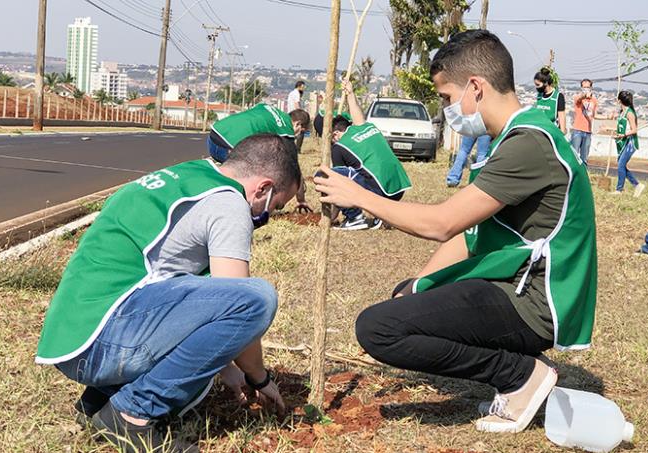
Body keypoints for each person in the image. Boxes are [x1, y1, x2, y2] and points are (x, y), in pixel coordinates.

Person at [315, 30, 598, 434]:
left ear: (476, 88)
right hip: (513, 285)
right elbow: (466, 234)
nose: (447, 109)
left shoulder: (528, 144)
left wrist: (359, 196)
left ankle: (520, 375)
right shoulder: (519, 136)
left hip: (533, 303)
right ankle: (519, 369)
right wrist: (420, 286)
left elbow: (442, 223)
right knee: (406, 293)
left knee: (378, 328)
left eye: (447, 98)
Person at [36, 135, 301, 452]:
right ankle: (131, 414)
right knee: (257, 298)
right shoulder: (229, 204)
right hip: (102, 346)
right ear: (263, 187)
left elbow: (189, 307)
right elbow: (238, 299)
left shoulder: (190, 175)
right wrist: (259, 377)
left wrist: (226, 368)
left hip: (74, 338)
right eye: (275, 204)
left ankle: (97, 402)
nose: (268, 214)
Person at [326, 79, 412, 231]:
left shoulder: (339, 147)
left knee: (327, 174)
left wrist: (331, 217)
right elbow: (357, 115)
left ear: (336, 134)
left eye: (331, 138)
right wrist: (350, 93)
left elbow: (339, 185)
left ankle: (355, 218)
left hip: (381, 192)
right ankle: (384, 214)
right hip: (399, 189)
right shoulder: (367, 128)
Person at [208, 104, 312, 212]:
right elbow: (294, 170)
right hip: (229, 145)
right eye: (302, 132)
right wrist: (301, 200)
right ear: (298, 124)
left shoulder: (268, 107)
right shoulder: (287, 132)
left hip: (214, 134)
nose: (299, 135)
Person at [612, 91, 646, 197]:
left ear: (619, 100)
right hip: (623, 141)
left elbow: (634, 130)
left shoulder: (630, 113)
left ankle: (619, 189)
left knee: (621, 164)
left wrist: (623, 135)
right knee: (621, 164)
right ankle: (637, 185)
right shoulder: (622, 112)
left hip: (630, 142)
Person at [571, 79, 598, 164]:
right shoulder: (577, 97)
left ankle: (584, 175)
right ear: (581, 87)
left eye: (588, 87)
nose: (586, 89)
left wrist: (609, 117)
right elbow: (579, 99)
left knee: (584, 157)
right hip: (578, 130)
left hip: (588, 131)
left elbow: (595, 115)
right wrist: (584, 95)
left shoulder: (594, 100)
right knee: (574, 155)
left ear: (591, 88)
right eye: (584, 87)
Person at [534, 67, 567, 134]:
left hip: (552, 131)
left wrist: (562, 132)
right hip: (539, 130)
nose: (536, 87)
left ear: (546, 83)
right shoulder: (539, 96)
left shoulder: (558, 96)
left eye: (538, 85)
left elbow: (561, 116)